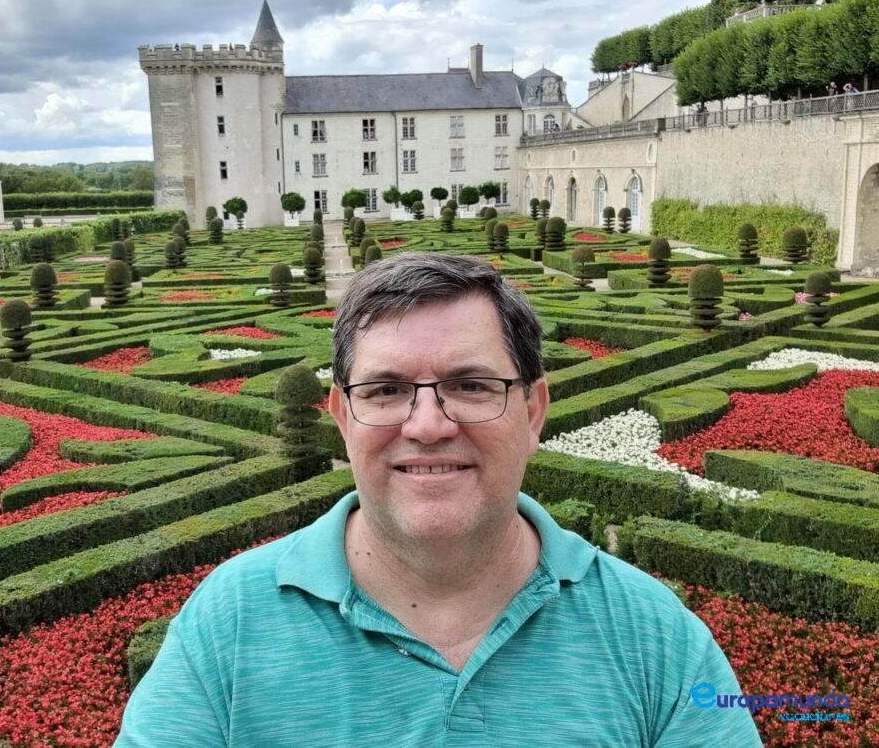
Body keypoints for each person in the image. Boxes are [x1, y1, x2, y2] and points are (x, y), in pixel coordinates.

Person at [116, 253, 762, 747]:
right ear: (342, 415)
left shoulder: (654, 635)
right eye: (385, 390)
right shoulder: (226, 622)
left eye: (471, 384)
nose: (427, 424)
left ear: (534, 410)